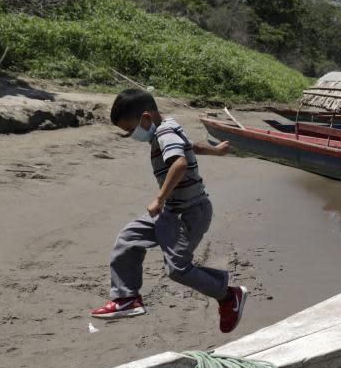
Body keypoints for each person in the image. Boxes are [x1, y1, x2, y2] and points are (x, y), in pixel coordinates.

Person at [90, 89, 248, 334]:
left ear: (146, 118)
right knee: (129, 238)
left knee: (177, 269)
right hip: (173, 212)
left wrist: (159, 198)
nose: (132, 135)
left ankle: (228, 295)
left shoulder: (163, 132)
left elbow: (180, 162)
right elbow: (189, 147)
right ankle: (126, 298)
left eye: (131, 130)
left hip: (190, 213)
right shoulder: (169, 126)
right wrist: (215, 151)